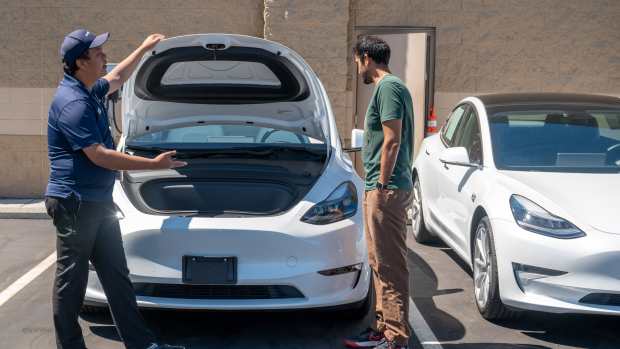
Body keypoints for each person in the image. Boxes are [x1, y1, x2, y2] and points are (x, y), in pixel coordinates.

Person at [45, 28, 186, 349]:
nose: (104, 57)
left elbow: (119, 76)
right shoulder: (72, 104)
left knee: (116, 276)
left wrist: (144, 47)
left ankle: (141, 344)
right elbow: (100, 156)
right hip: (74, 203)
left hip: (97, 202)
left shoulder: (89, 90)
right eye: (97, 54)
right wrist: (154, 165)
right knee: (72, 280)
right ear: (80, 62)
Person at [345, 35, 415, 349]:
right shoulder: (386, 88)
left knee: (390, 266)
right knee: (378, 262)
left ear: (365, 57)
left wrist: (381, 185)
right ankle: (382, 328)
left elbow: (393, 140)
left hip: (386, 189)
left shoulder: (389, 88)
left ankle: (395, 338)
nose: (356, 66)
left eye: (356, 60)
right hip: (379, 186)